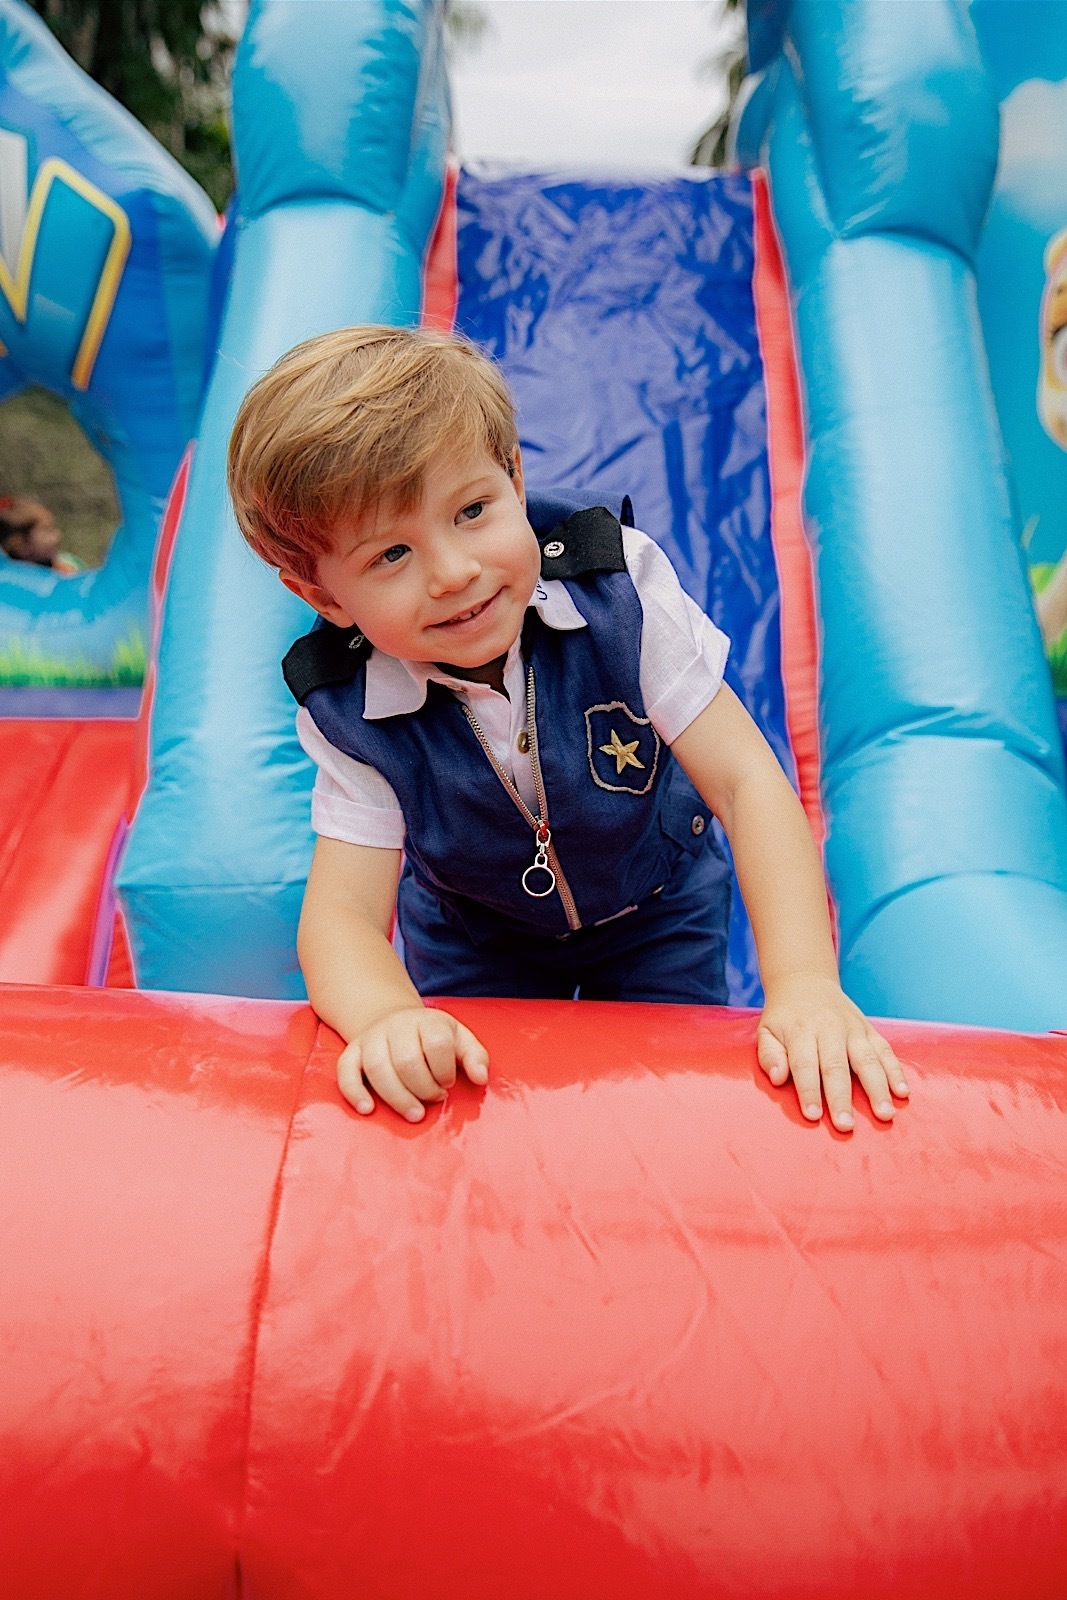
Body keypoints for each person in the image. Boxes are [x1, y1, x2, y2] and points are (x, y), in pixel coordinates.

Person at [228, 326, 909, 1131]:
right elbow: (341, 913)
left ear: (514, 480)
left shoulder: (615, 592)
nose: (453, 572)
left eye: (473, 511)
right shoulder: (352, 708)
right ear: (323, 596)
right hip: (476, 936)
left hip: (655, 907)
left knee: (665, 1104)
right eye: (391, 556)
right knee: (487, 1117)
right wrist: (383, 1018)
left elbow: (745, 780)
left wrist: (803, 985)